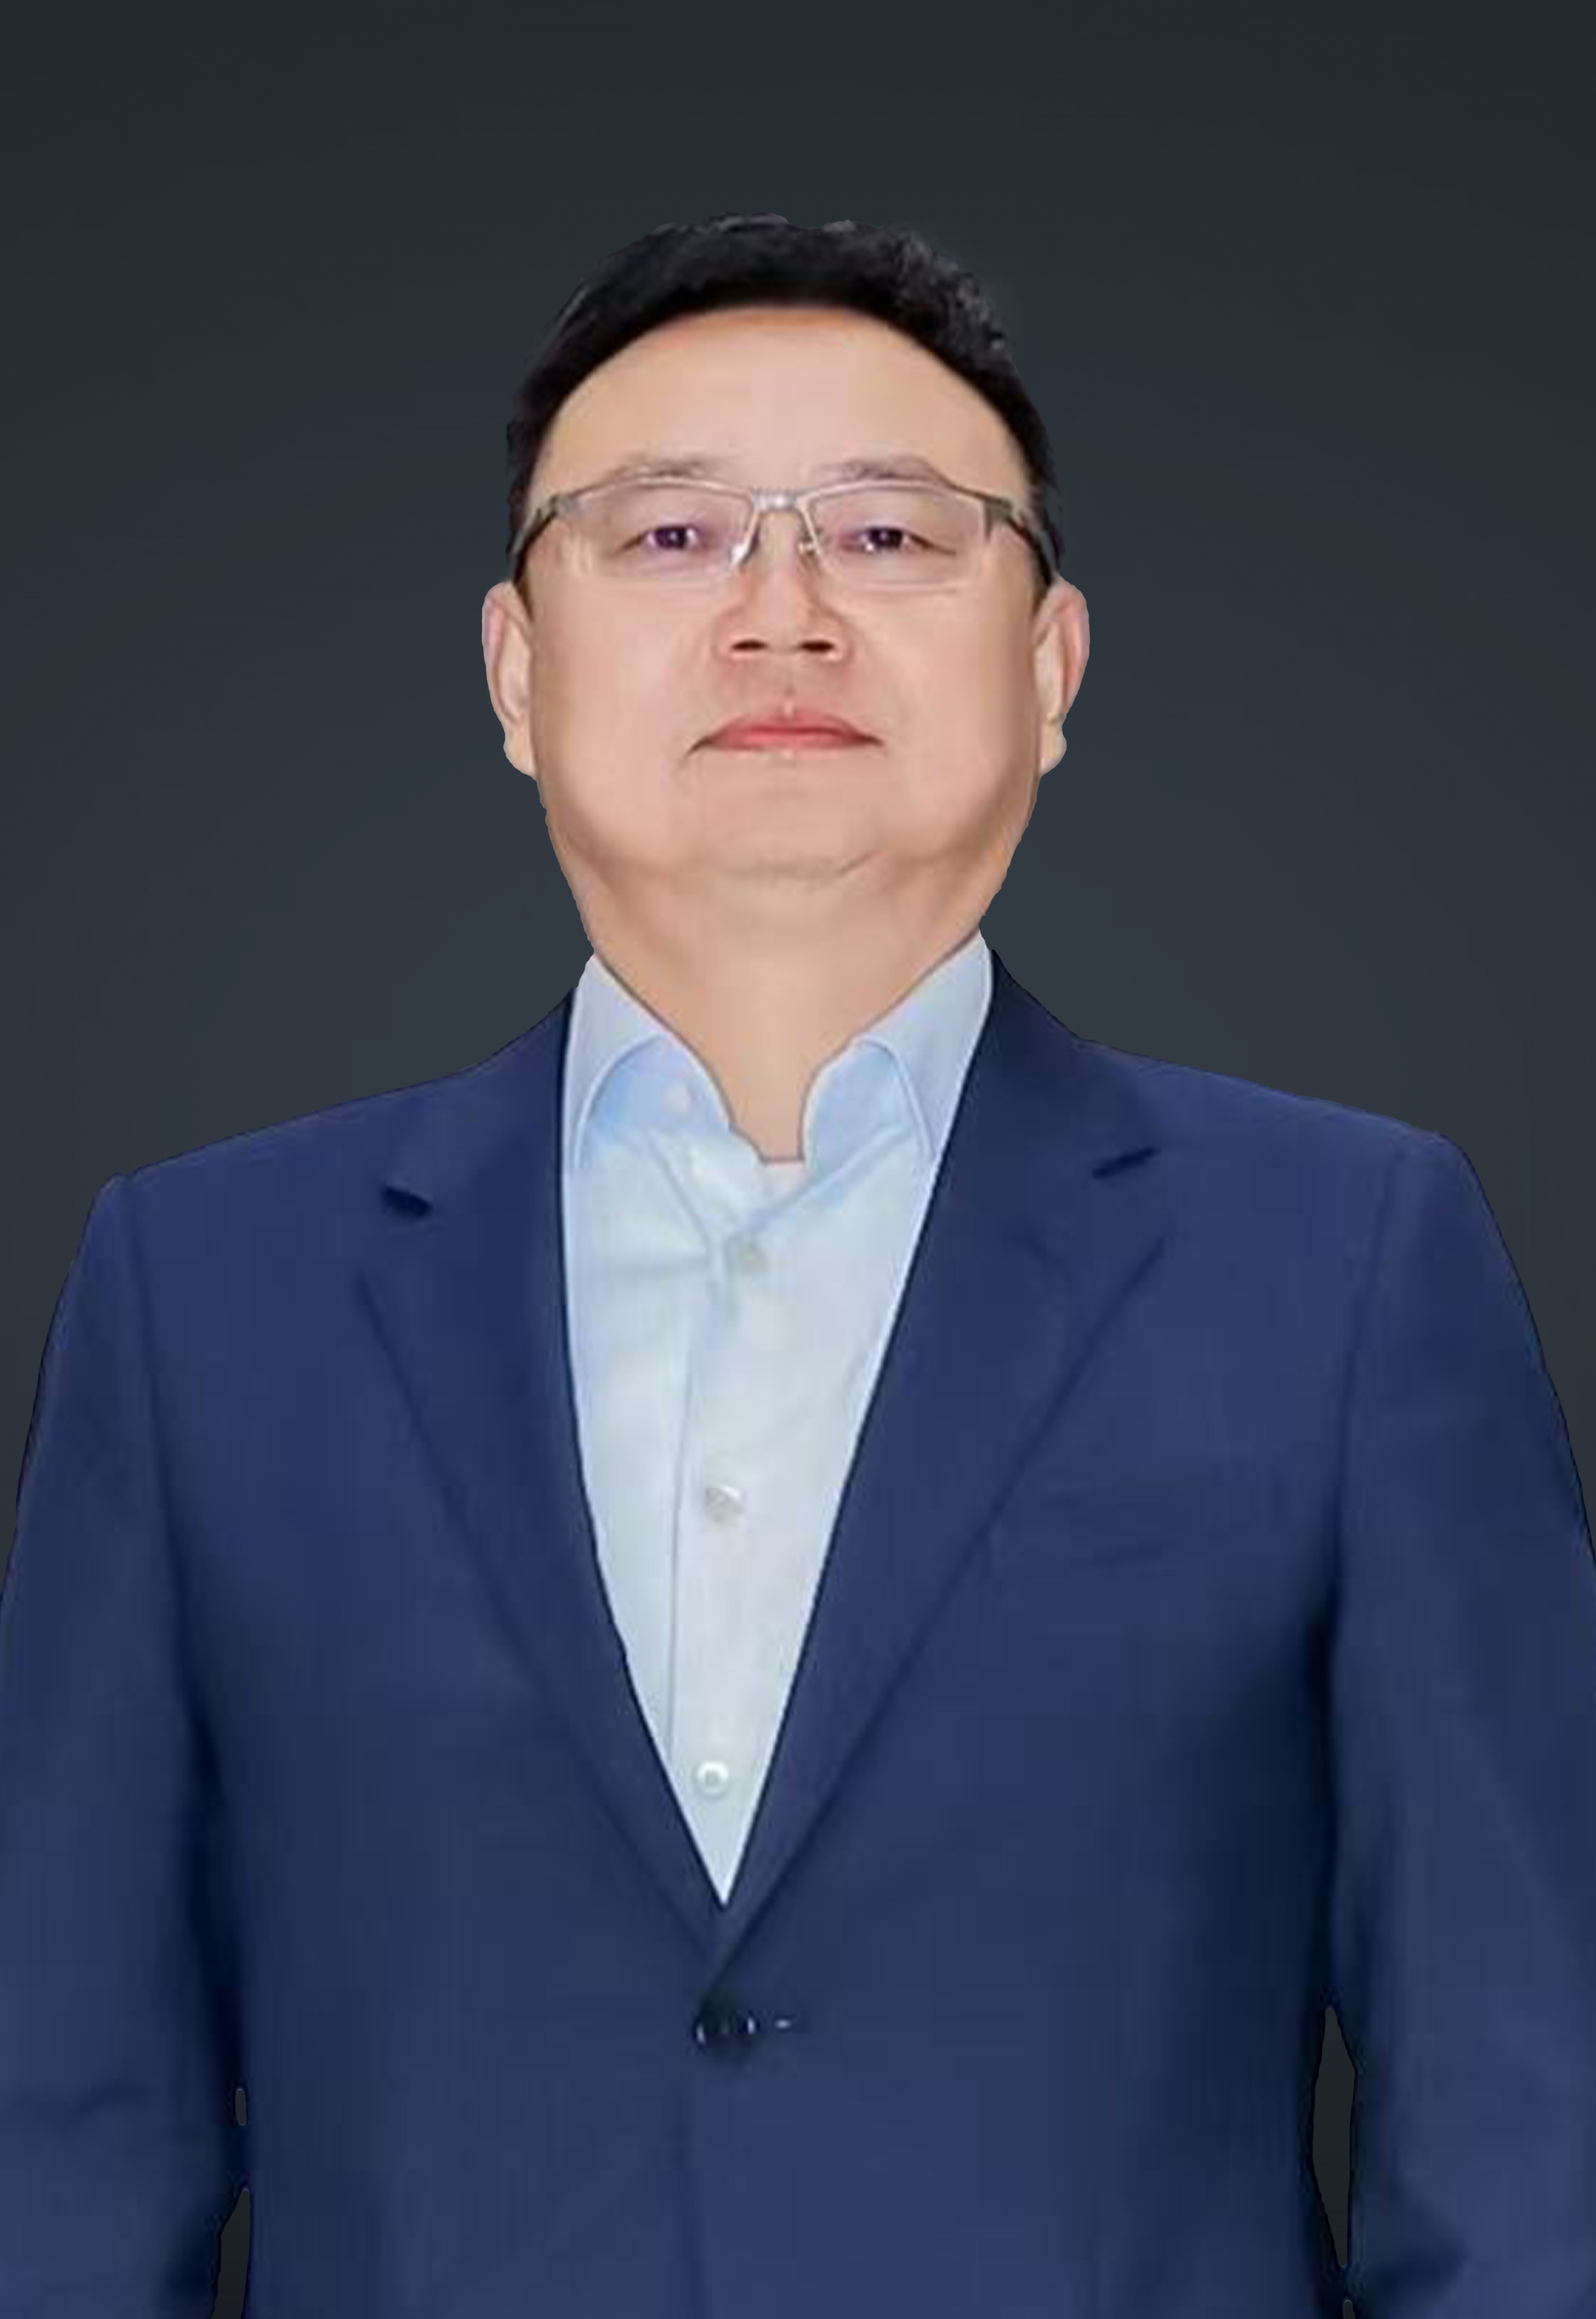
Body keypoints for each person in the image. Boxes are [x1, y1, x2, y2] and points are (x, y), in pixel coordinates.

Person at [4, 212, 1594, 2319]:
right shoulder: (203, 1297)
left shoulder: (1355, 1263)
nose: (783, 614)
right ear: (515, 673)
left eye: (890, 536)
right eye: (671, 538)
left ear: (1051, 669)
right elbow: (61, 2126)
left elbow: (1529, 2122)